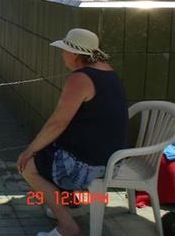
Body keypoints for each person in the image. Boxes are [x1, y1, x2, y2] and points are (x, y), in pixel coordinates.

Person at [16, 28, 128, 236]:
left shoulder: (80, 79)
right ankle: (68, 201)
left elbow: (57, 123)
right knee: (49, 150)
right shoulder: (106, 70)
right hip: (114, 159)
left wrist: (29, 150)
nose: (62, 54)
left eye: (64, 50)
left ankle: (67, 226)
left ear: (75, 54)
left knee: (27, 166)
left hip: (92, 165)